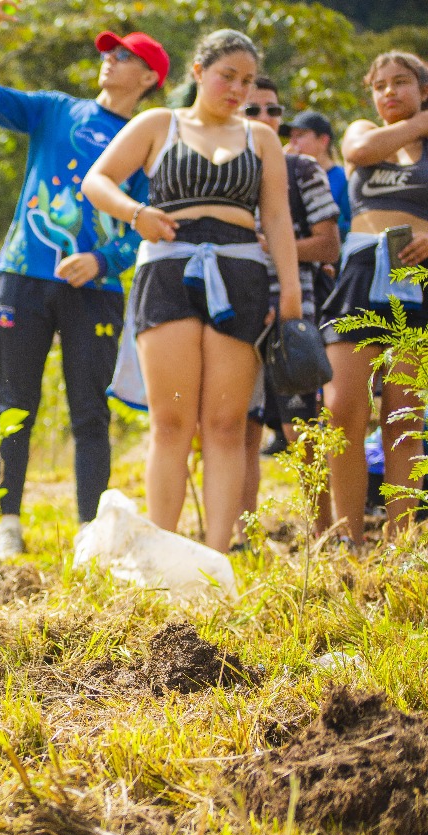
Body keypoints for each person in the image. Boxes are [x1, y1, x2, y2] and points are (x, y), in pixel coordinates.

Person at [83, 29, 304, 553]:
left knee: (227, 424)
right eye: (227, 75)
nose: (237, 88)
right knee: (173, 421)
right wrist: (136, 214)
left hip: (241, 276)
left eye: (247, 81)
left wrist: (290, 296)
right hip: (168, 272)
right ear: (198, 72)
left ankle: (216, 555)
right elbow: (98, 180)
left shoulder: (262, 137)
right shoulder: (159, 123)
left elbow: (275, 216)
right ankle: (163, 552)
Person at [0, 0, 169, 557]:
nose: (110, 60)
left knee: (89, 411)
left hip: (96, 291)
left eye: (125, 56)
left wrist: (104, 261)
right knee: (14, 404)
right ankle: (8, 523)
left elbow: (150, 222)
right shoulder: (57, 110)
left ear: (150, 77)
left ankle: (89, 533)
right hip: (23, 277)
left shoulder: (150, 141)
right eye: (109, 52)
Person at [319, 51, 428, 546]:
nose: (389, 92)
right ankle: (349, 538)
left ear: (422, 88)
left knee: (404, 413)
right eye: (380, 85)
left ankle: (401, 541)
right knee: (341, 406)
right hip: (361, 273)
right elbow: (359, 154)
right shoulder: (363, 131)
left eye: (401, 83)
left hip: (418, 279)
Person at [235, 77, 341, 544]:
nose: (265, 120)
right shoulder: (224, 172)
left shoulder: (302, 169)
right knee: (239, 429)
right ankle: (240, 538)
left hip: (291, 316)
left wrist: (274, 247)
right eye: (253, 111)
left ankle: (324, 535)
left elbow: (328, 242)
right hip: (234, 314)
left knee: (302, 430)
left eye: (274, 112)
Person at [284, 109, 351, 239]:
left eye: (300, 135)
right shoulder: (287, 180)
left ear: (323, 140)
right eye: (291, 137)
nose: (293, 143)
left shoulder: (344, 178)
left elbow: (351, 223)